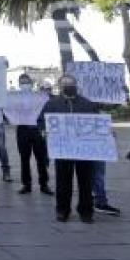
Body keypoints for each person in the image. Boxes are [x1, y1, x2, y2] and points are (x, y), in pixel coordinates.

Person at [40, 74, 98, 223]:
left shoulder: (87, 104)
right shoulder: (52, 104)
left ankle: (86, 211)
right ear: (60, 86)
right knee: (63, 182)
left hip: (83, 151)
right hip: (63, 150)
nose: (69, 86)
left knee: (85, 182)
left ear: (76, 85)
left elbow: (97, 123)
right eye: (65, 84)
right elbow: (41, 122)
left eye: (71, 83)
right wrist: (44, 131)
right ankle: (62, 210)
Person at [13, 74, 53, 195]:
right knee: (24, 159)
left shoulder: (38, 97)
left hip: (37, 130)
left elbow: (48, 106)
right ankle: (26, 184)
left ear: (31, 83)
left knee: (40, 158)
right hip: (22, 130)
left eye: (26, 82)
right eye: (22, 82)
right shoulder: (15, 98)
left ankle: (44, 184)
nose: (25, 84)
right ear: (19, 84)